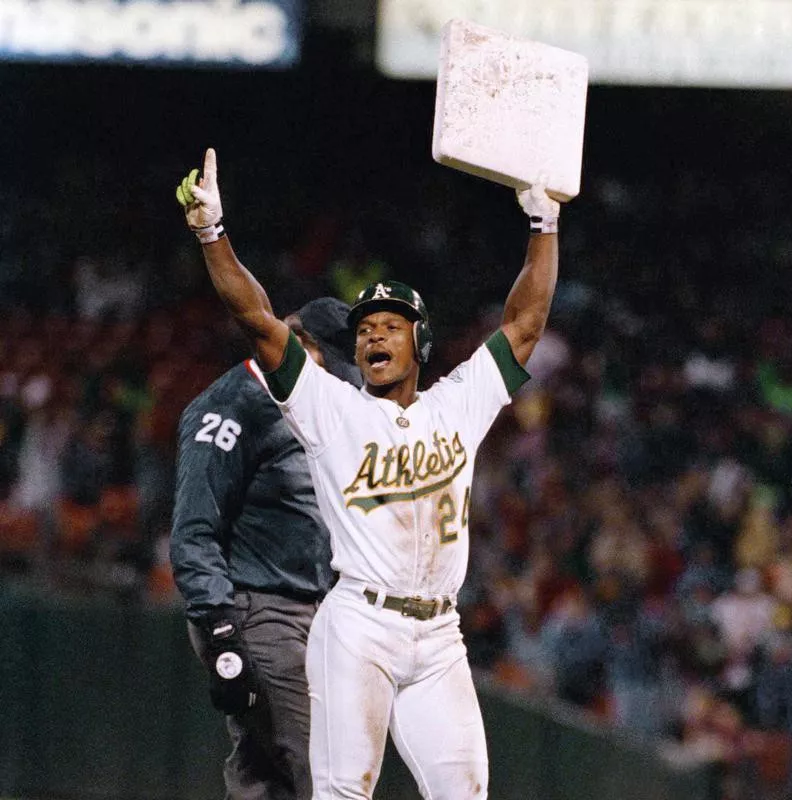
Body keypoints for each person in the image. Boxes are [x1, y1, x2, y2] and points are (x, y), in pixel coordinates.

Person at [175, 148, 560, 800]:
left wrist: (543, 227)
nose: (378, 336)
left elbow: (524, 323)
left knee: (465, 792)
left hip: (440, 634)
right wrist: (213, 234)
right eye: (368, 329)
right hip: (360, 623)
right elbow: (258, 322)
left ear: (422, 345)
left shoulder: (456, 405)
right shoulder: (328, 410)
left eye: (394, 326)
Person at [170, 295, 362, 800]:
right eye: (332, 365)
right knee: (326, 773)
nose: (339, 382)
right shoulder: (232, 405)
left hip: (309, 611)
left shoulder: (307, 405)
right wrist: (220, 629)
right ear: (296, 342)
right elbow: (194, 530)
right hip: (258, 612)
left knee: (264, 782)